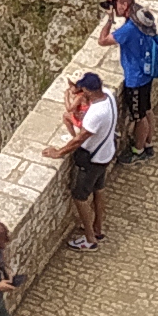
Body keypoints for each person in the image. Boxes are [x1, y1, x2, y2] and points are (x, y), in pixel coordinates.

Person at [50, 71, 119, 248]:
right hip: (107, 152)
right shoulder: (109, 96)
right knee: (98, 189)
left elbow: (79, 139)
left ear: (88, 90)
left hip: (93, 159)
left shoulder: (95, 113)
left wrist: (59, 152)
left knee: (80, 197)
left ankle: (90, 239)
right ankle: (98, 227)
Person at [102, 0, 158, 155]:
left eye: (116, 3)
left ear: (124, 5)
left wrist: (110, 18)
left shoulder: (129, 29)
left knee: (139, 117)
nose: (114, 7)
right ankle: (148, 142)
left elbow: (102, 41)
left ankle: (138, 150)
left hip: (135, 78)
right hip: (147, 73)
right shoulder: (143, 17)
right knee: (147, 109)